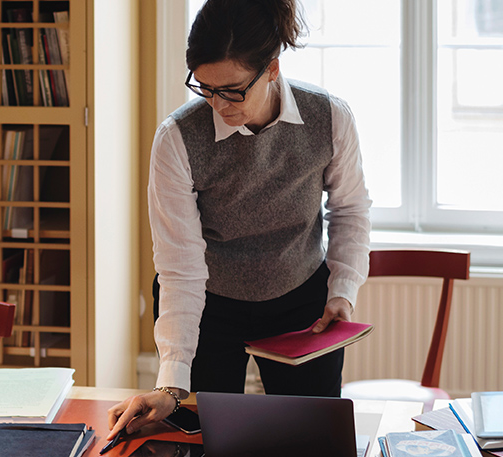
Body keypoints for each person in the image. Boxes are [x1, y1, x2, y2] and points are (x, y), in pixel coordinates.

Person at [106, 0, 372, 441]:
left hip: (301, 300)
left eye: (231, 90)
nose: (217, 103)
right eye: (205, 88)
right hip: (210, 305)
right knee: (212, 438)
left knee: (311, 440)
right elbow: (179, 267)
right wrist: (172, 382)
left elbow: (350, 208)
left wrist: (343, 291)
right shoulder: (177, 139)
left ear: (271, 69)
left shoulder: (329, 117)